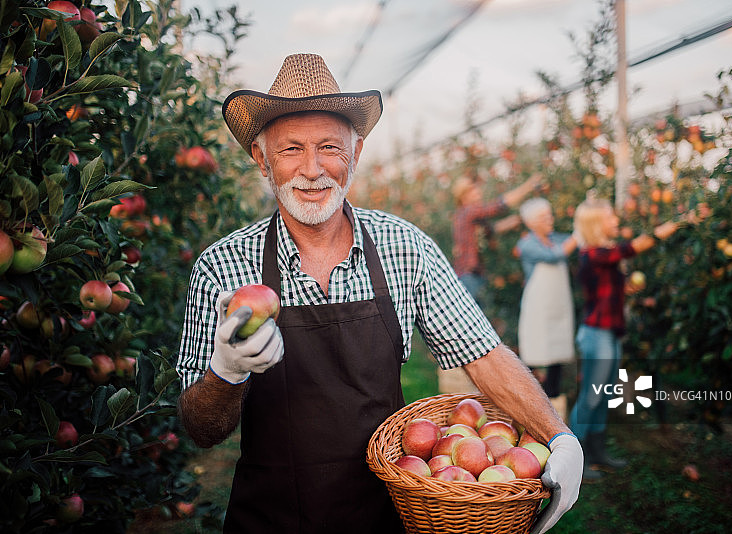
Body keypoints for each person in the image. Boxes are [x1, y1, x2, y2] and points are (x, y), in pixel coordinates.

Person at [175, 53, 582, 534]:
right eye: (291, 150)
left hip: (387, 513)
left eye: (329, 146)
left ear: (357, 152)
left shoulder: (405, 248)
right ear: (262, 160)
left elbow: (484, 354)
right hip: (272, 517)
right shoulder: (223, 267)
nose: (312, 169)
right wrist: (227, 370)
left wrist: (559, 437)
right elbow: (202, 431)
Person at [568, 195, 678, 480]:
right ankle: (573, 460)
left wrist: (623, 289)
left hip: (609, 333)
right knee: (591, 397)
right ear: (596, 223)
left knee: (603, 395)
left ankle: (597, 452)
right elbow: (629, 249)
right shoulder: (591, 253)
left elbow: (605, 284)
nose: (616, 221)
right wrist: (663, 230)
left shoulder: (602, 253)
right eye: (611, 216)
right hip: (596, 334)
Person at [516, 198, 579, 421]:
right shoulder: (528, 244)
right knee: (535, 350)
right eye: (545, 217)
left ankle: (554, 405)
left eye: (550, 215)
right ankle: (528, 405)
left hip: (558, 306)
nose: (550, 220)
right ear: (532, 222)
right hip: (539, 307)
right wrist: (580, 231)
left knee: (557, 353)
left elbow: (568, 245)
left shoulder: (554, 239)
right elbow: (556, 255)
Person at [452, 172, 540, 304]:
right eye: (473, 190)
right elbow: (499, 205)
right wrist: (528, 186)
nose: (478, 192)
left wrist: (523, 219)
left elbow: (492, 228)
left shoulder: (466, 216)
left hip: (472, 274)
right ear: (463, 196)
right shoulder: (468, 211)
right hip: (469, 275)